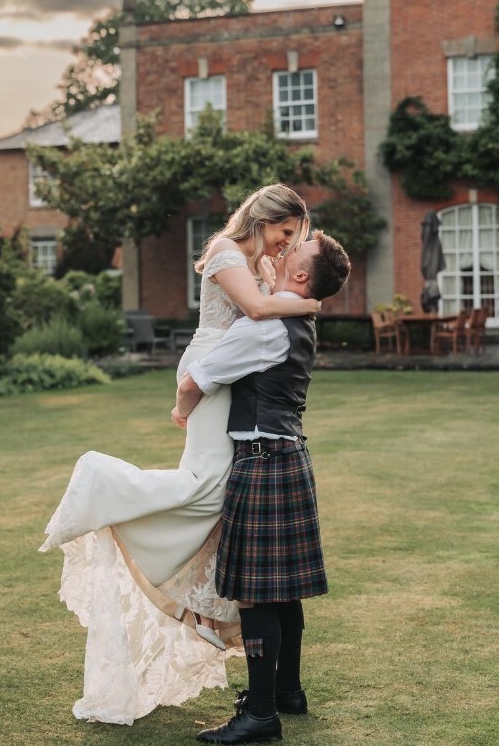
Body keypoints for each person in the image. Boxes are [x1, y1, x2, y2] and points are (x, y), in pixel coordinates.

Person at [39, 184, 320, 725]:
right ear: (264, 218)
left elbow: (265, 311)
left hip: (229, 375)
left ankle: (208, 608)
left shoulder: (260, 261)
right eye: (285, 232)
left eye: (294, 239)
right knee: (207, 488)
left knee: (221, 497)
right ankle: (103, 481)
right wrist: (310, 301)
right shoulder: (227, 252)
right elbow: (258, 309)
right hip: (212, 369)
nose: (287, 244)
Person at [174, 230, 351, 744]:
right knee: (284, 590)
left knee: (254, 596)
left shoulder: (265, 328)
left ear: (301, 274)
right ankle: (287, 691)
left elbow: (196, 380)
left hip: (261, 462)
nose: (285, 249)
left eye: (295, 251)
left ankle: (260, 715)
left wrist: (180, 411)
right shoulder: (298, 320)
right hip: (288, 455)